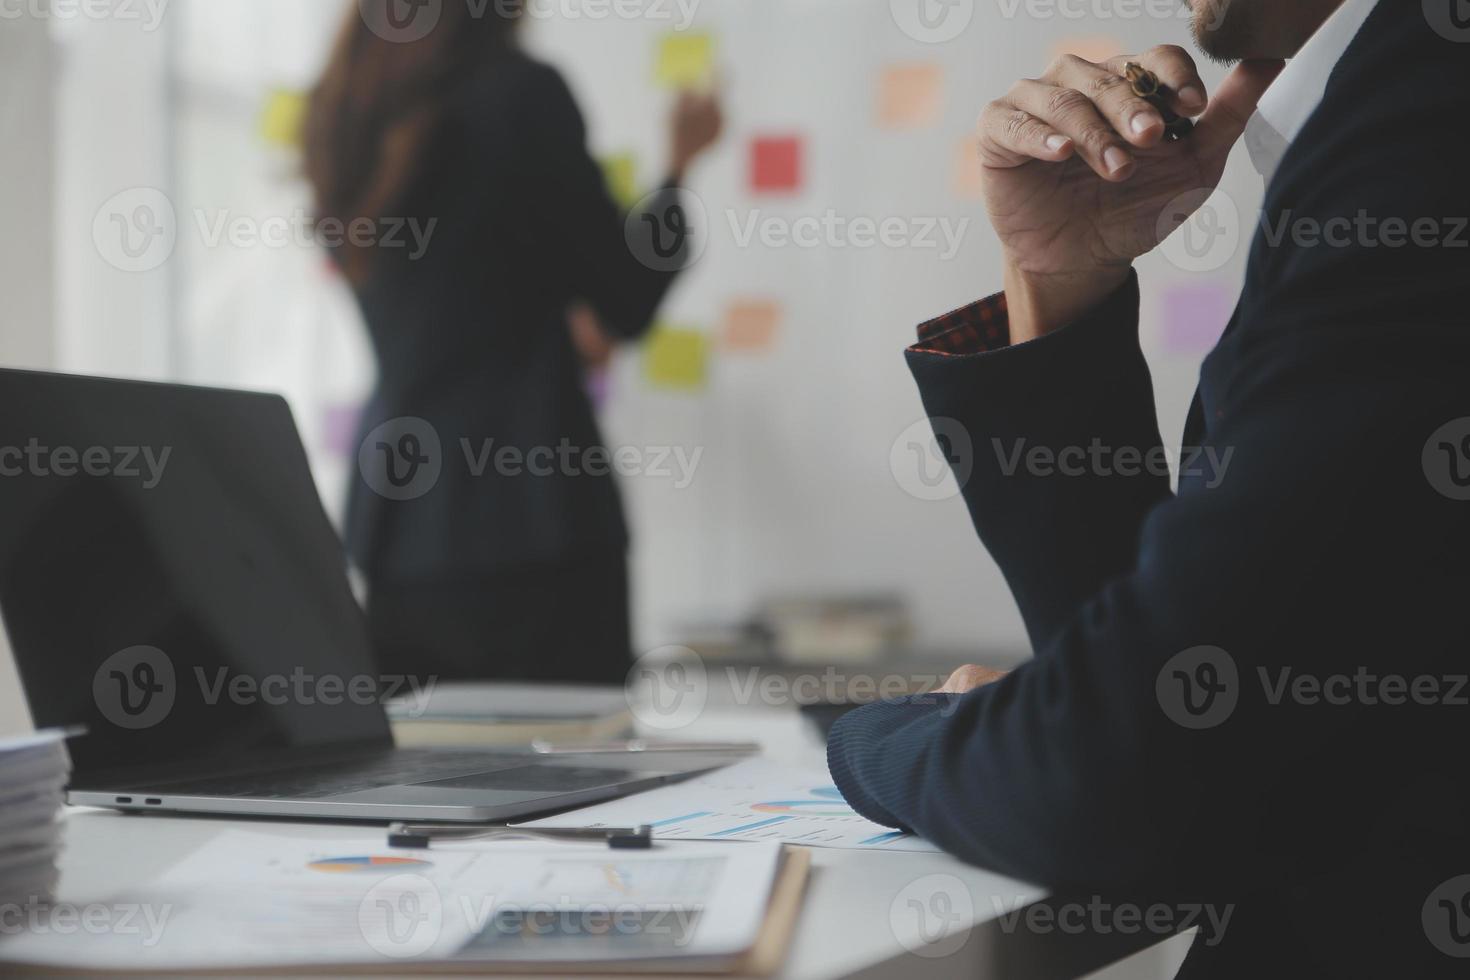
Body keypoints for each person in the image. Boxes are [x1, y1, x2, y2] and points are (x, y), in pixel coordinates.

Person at [827, 1, 1470, 975]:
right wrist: (1058, 274)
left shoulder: (1428, 105)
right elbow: (1199, 710)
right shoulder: (1381, 97)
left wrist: (881, 734)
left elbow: (1128, 772)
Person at [303, 2, 722, 684]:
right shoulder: (519, 93)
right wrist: (678, 167)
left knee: (424, 777)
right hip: (534, 515)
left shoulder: (343, 113)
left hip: (401, 523)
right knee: (584, 775)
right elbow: (624, 299)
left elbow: (450, 307)